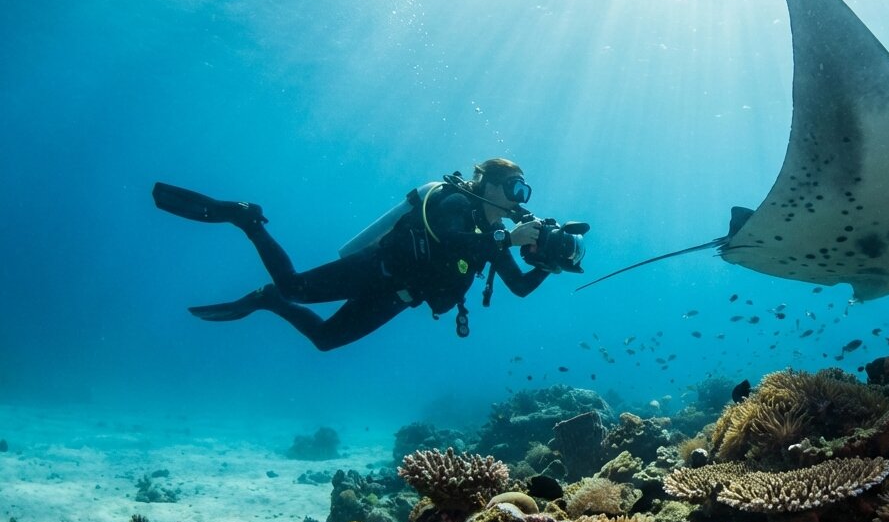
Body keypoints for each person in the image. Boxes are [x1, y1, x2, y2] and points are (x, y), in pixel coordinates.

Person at [153, 159, 577, 351]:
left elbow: (519, 287)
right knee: (295, 287)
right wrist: (507, 241)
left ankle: (266, 300)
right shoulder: (454, 202)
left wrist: (550, 264)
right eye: (515, 188)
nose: (520, 198)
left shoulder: (496, 234)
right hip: (379, 268)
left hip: (399, 296)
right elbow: (449, 240)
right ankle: (247, 219)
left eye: (525, 191)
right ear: (490, 185)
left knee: (325, 340)